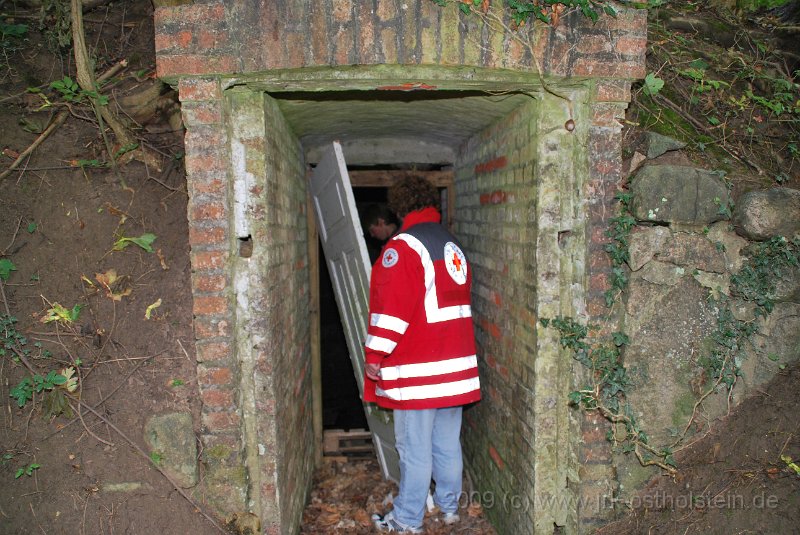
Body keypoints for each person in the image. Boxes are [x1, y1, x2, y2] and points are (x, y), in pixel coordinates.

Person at [364, 175, 481, 533]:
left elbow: (392, 309)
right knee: (446, 443)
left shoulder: (404, 247)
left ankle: (407, 520)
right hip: (455, 366)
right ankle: (448, 508)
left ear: (399, 206)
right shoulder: (451, 244)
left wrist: (375, 354)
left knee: (413, 448)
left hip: (420, 370)